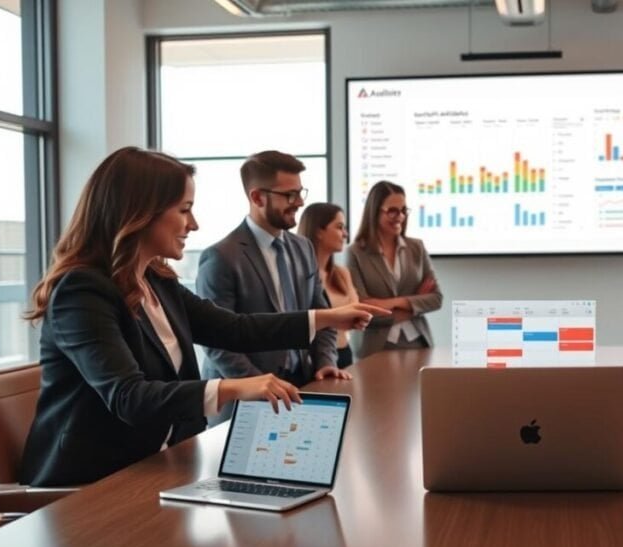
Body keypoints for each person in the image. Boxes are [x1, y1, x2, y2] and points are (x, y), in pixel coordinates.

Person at [19, 147, 387, 487]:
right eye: (183, 209)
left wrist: (325, 318)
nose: (193, 224)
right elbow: (129, 397)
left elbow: (234, 328)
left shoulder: (155, 280)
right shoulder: (81, 291)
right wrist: (235, 387)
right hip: (91, 487)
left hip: (160, 467)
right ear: (139, 213)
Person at [197, 151, 343, 426]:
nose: (299, 202)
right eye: (289, 195)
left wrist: (325, 362)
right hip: (244, 403)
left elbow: (322, 313)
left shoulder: (303, 248)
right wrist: (260, 387)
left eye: (300, 193)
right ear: (257, 197)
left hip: (301, 390)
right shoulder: (220, 257)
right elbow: (216, 342)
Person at [346, 180, 443, 359]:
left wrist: (388, 303)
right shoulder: (356, 253)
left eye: (403, 210)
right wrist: (412, 305)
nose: (400, 216)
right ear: (374, 212)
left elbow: (436, 298)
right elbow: (361, 310)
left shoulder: (416, 248)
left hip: (419, 342)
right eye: (392, 211)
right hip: (375, 347)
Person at [298, 202, 359, 369]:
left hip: (344, 352)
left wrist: (329, 319)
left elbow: (357, 316)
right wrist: (339, 319)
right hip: (313, 359)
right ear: (319, 231)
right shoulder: (299, 275)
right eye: (339, 227)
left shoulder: (341, 273)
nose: (345, 234)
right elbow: (301, 322)